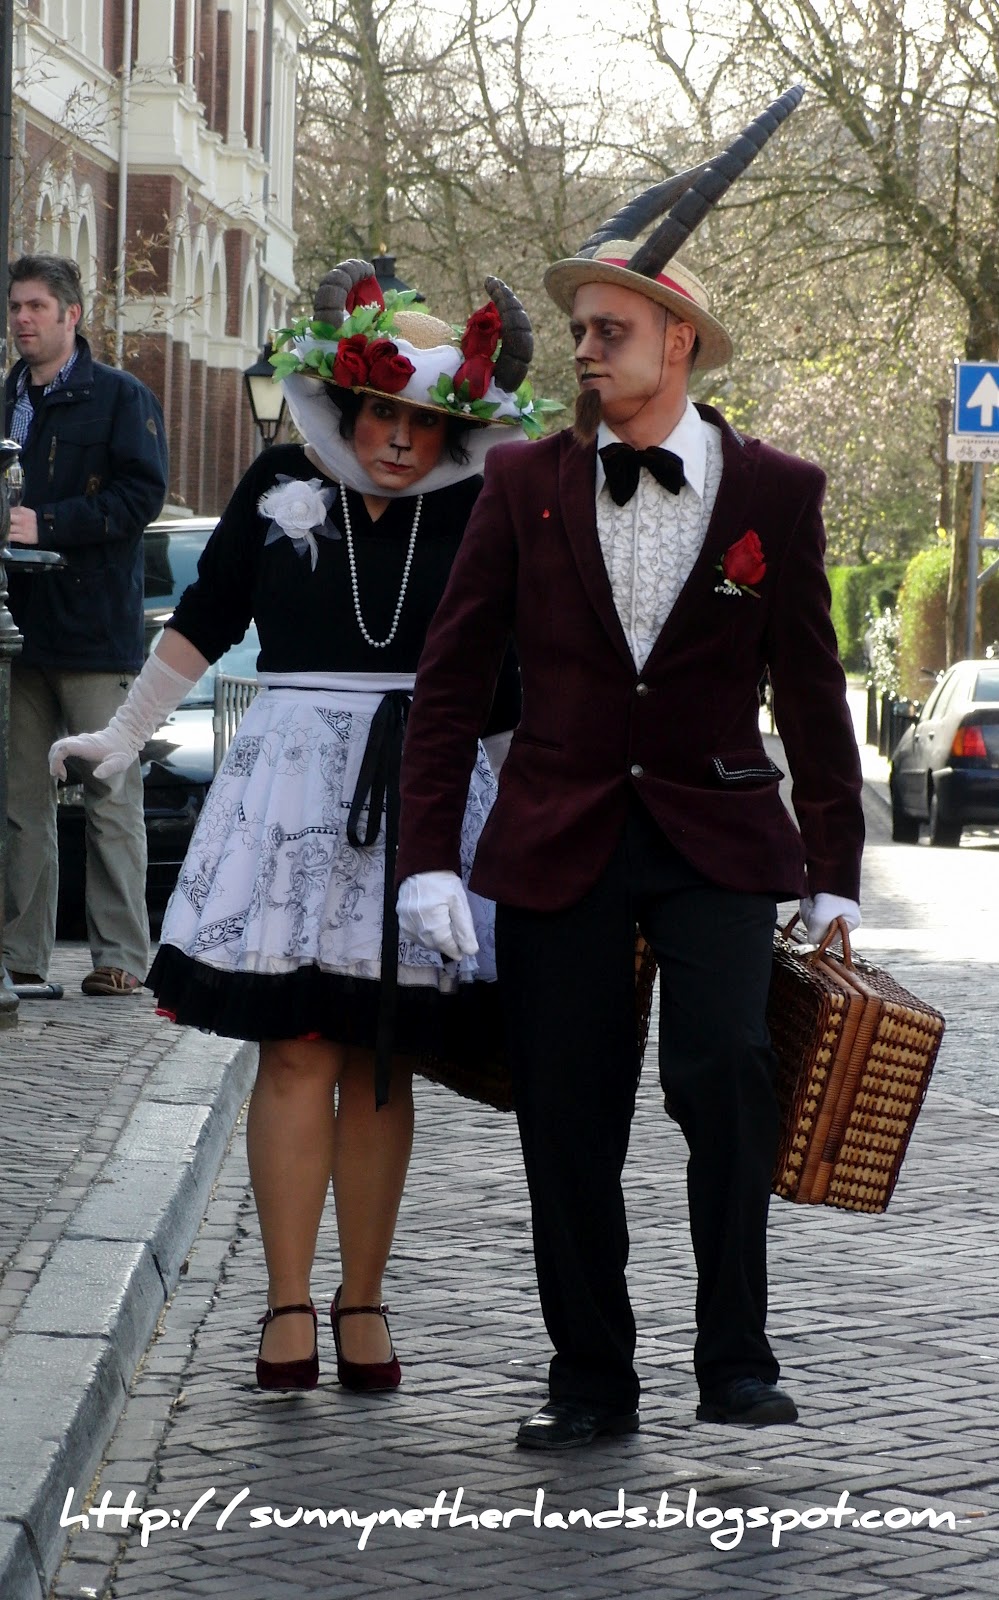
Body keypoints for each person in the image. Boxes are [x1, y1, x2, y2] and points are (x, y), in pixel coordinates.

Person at [396, 89, 865, 1448]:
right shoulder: (520, 486)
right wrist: (431, 855)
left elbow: (815, 692)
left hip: (718, 831)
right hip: (556, 832)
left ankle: (737, 1362)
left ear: (677, 342)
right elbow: (449, 682)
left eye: (608, 331)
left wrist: (832, 873)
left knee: (723, 1071)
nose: (583, 352)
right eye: (581, 332)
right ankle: (588, 1381)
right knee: (566, 1111)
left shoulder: (773, 492)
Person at [49, 259, 540, 1392]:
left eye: (427, 422)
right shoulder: (278, 483)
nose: (402, 442)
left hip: (426, 793)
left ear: (453, 427)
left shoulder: (479, 509)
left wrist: (534, 811)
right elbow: (203, 621)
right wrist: (121, 737)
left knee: (382, 1059)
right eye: (384, 414)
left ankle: (362, 1296)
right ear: (349, 400)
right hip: (287, 794)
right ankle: (284, 1301)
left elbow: (507, 678)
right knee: (295, 1049)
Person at [3, 253, 168, 998]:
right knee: (19, 803)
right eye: (14, 308)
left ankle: (121, 959)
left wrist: (51, 525)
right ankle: (22, 960)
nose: (22, 320)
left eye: (36, 307)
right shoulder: (7, 401)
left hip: (94, 629)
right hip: (16, 633)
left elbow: (142, 499)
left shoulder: (121, 398)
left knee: (108, 798)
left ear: (72, 316)